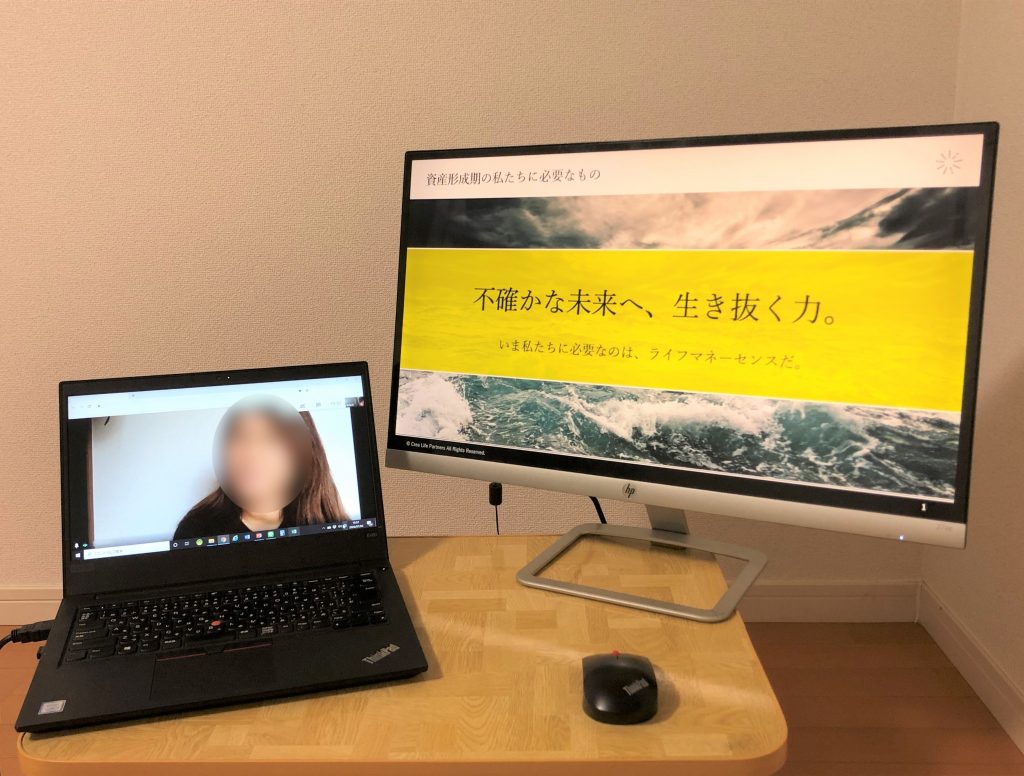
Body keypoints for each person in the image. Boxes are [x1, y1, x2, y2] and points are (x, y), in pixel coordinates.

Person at [173, 397, 347, 540]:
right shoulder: (197, 529)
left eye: (271, 438)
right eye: (239, 436)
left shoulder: (330, 523)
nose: (251, 453)